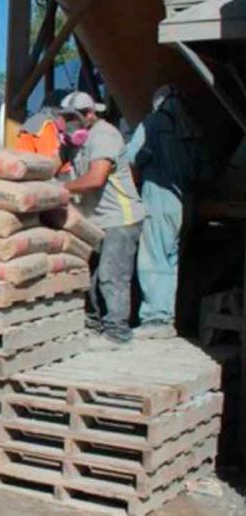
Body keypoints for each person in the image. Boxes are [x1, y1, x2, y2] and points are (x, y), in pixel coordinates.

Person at [61, 91, 145, 349]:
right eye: (64, 118)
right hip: (96, 220)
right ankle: (95, 325)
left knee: (112, 275)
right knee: (92, 277)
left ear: (89, 114)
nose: (67, 123)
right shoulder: (74, 141)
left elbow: (96, 178)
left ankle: (117, 333)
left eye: (72, 118)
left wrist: (61, 189)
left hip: (119, 219)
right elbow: (53, 162)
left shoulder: (105, 136)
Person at [126, 85, 199, 339]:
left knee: (152, 258)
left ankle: (155, 320)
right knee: (171, 260)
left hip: (159, 197)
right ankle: (166, 316)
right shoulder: (189, 126)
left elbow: (132, 157)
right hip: (185, 199)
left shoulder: (153, 122)